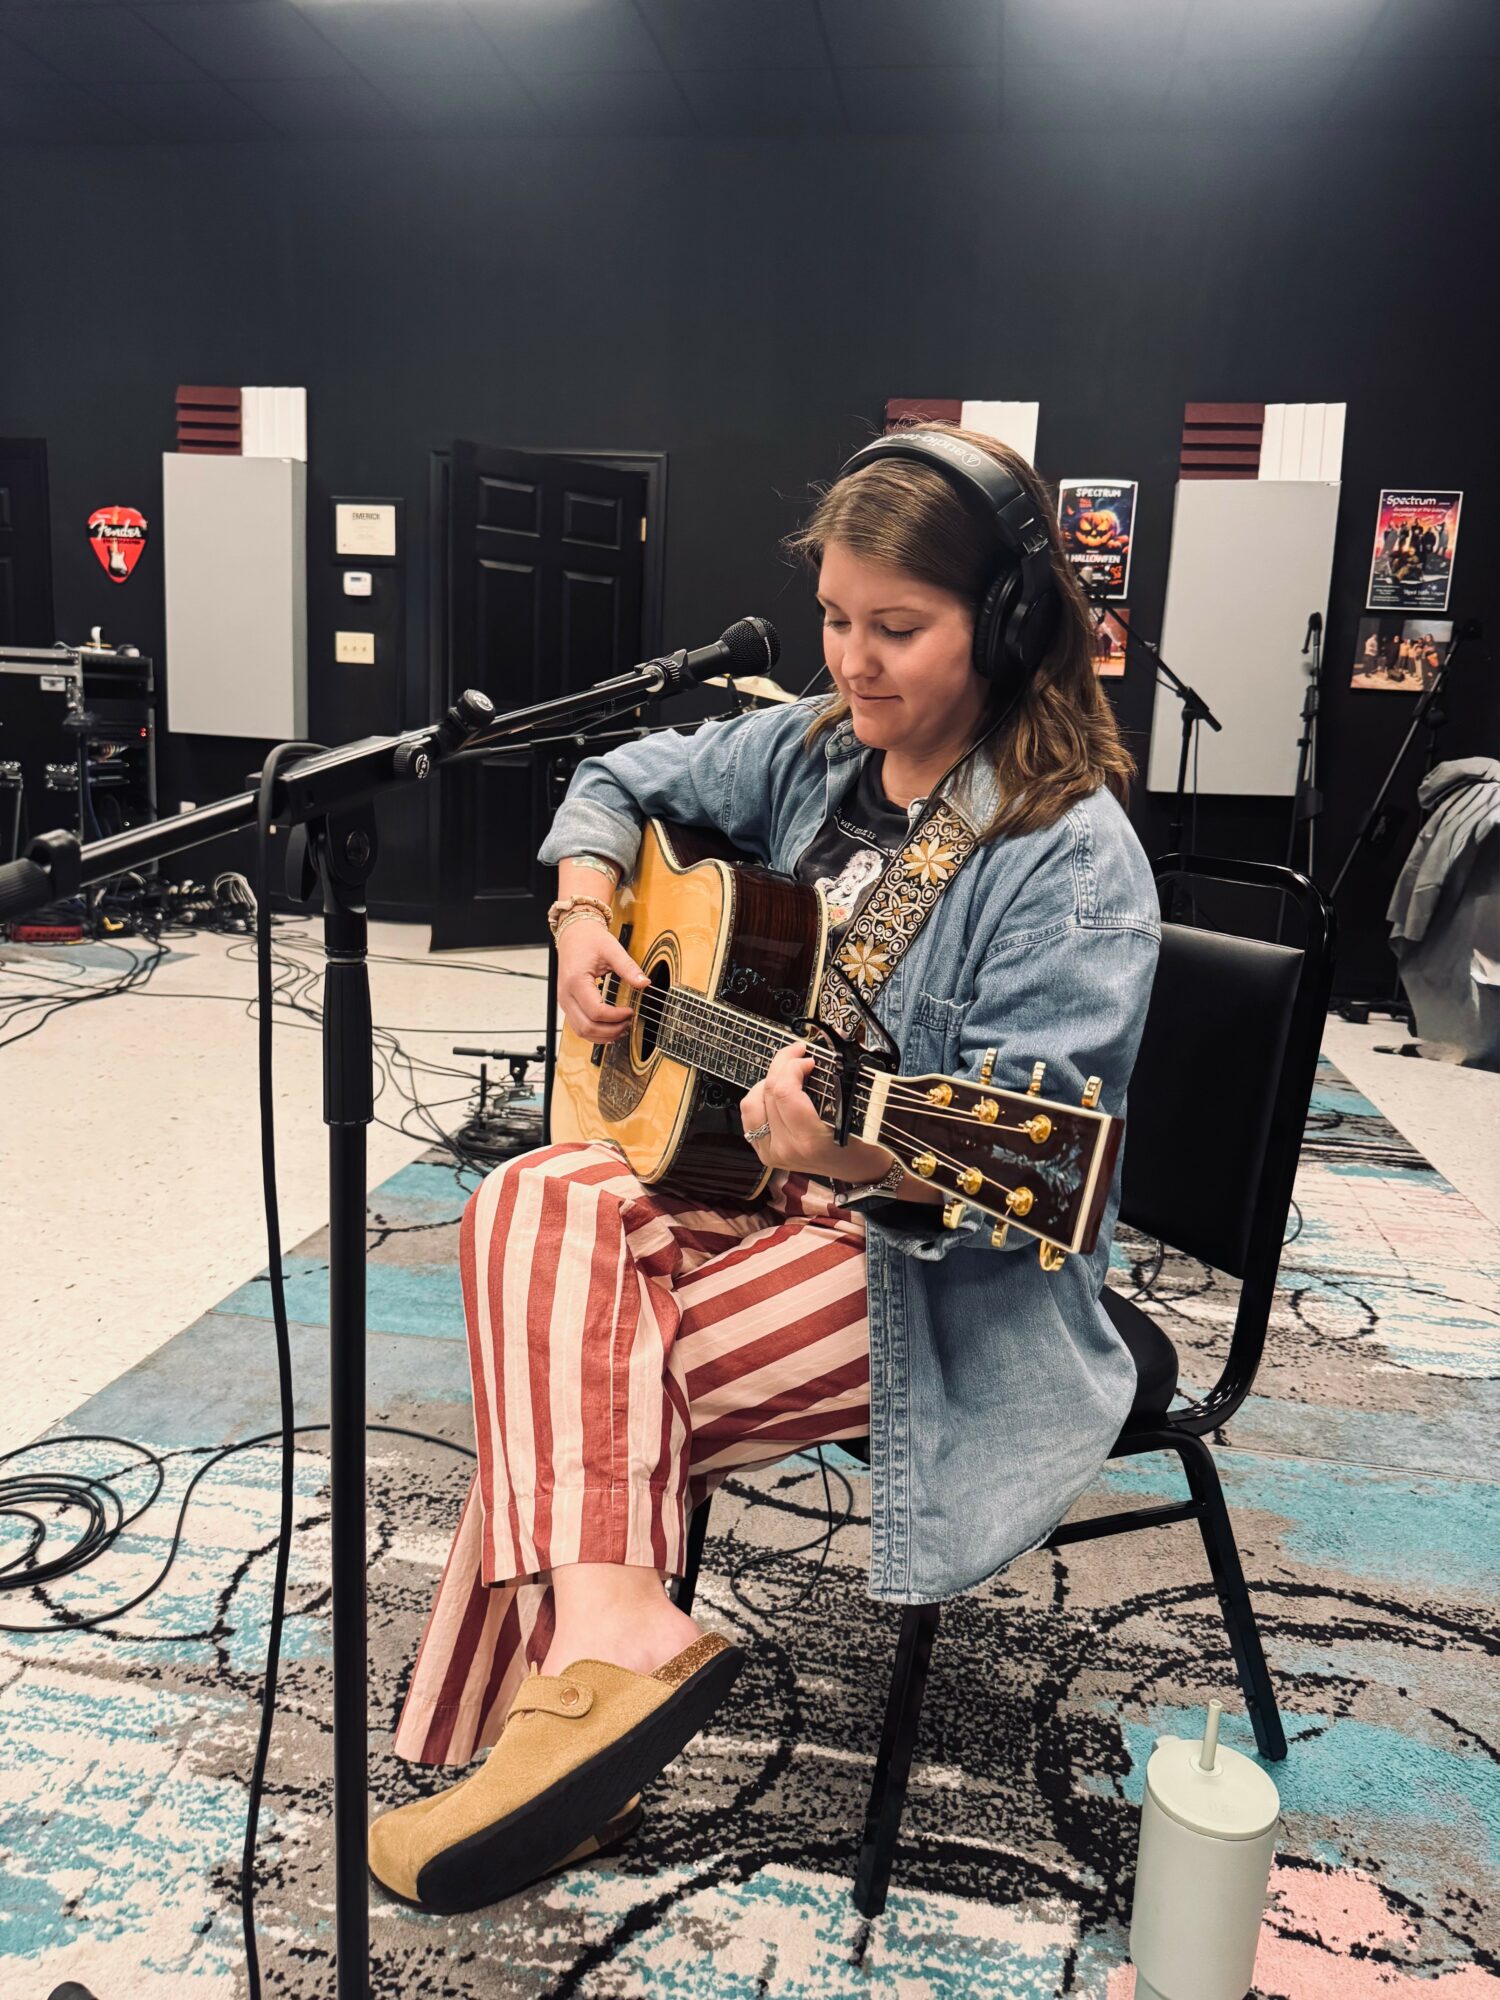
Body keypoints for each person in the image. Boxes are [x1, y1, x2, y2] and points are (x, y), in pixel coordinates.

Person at [368, 423, 1161, 1914]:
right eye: (836, 620)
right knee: (529, 1205)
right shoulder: (812, 751)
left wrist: (859, 1145)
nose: (853, 664)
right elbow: (618, 768)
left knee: (580, 1371)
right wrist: (586, 913)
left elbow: (1038, 1172)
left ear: (1004, 623)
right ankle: (609, 1644)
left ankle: (538, 1751)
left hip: (934, 1270)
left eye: (898, 631)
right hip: (752, 1197)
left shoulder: (1069, 858)